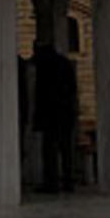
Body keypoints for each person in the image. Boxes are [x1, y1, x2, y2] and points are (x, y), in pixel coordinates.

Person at [32, 41, 78, 193]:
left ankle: (52, 183)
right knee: (66, 150)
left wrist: (38, 119)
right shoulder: (64, 63)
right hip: (66, 114)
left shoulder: (45, 67)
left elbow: (42, 95)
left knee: (50, 150)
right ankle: (67, 181)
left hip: (51, 115)